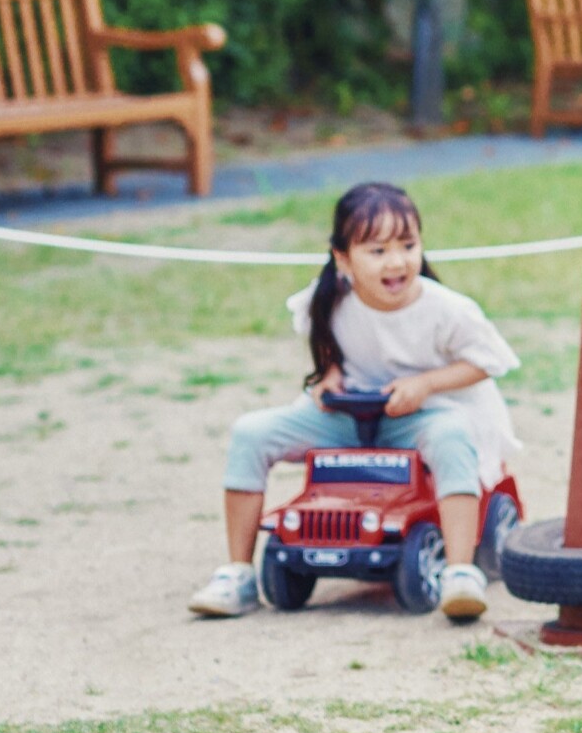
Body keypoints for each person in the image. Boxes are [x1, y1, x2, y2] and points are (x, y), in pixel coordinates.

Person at [189, 181, 520, 622]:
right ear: (343, 259)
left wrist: (425, 384)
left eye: (408, 244)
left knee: (453, 435)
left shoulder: (446, 309)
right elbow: (326, 340)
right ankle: (239, 574)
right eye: (377, 250)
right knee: (251, 432)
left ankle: (460, 572)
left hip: (424, 414)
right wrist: (330, 375)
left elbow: (489, 361)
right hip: (352, 414)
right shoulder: (329, 299)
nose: (397, 261)